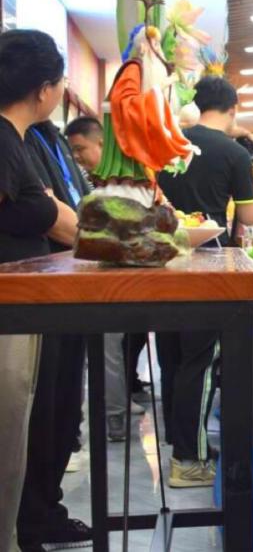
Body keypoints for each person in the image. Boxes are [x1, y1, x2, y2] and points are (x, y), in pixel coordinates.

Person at [0, 30, 86, 552]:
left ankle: (23, 528)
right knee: (12, 430)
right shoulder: (5, 139)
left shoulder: (22, 139)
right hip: (11, 311)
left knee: (25, 428)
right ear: (43, 90)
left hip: (30, 304)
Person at [155, 77, 253, 487]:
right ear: (233, 108)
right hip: (209, 263)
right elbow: (248, 216)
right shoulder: (234, 152)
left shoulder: (167, 142)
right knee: (199, 360)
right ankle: (188, 459)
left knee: (172, 355)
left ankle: (179, 440)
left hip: (161, 259)